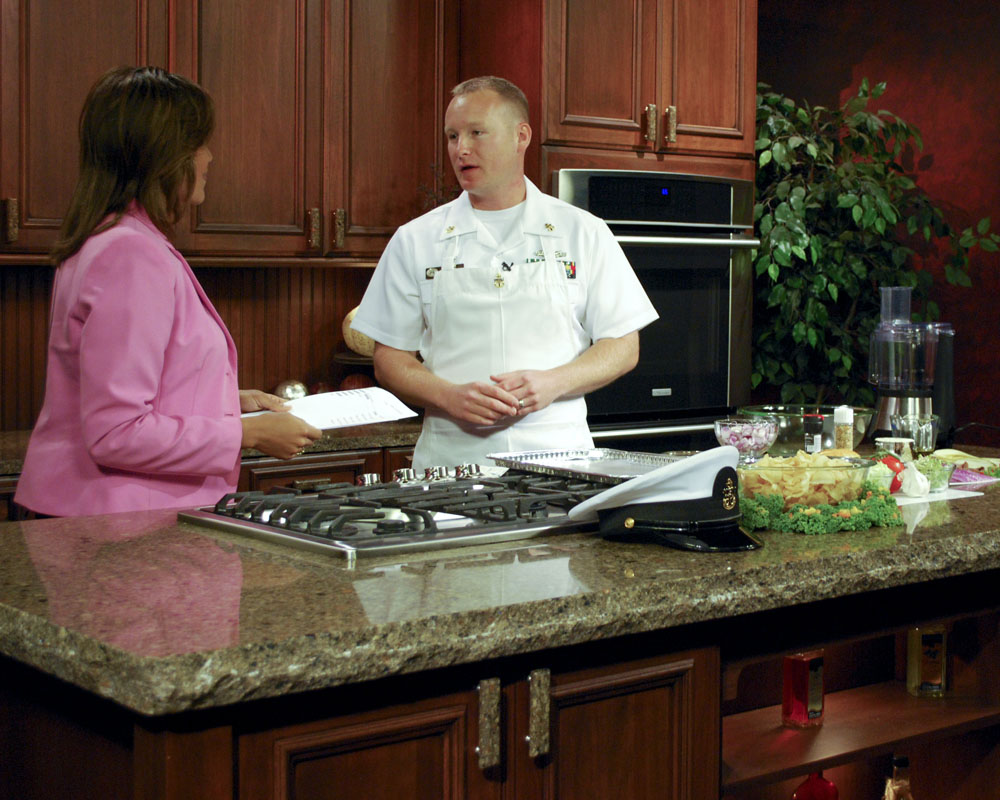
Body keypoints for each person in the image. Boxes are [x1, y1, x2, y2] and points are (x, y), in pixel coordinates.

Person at [15, 66, 321, 517]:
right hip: (120, 526)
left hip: (105, 518)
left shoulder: (105, 240)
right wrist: (247, 434)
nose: (209, 157)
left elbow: (123, 388)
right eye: (199, 144)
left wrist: (228, 404)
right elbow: (117, 431)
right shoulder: (130, 255)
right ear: (165, 155)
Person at [351, 76, 658, 469]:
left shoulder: (583, 232)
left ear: (521, 136)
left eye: (477, 133)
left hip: (561, 462)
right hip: (451, 464)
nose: (461, 149)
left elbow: (622, 346)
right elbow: (390, 359)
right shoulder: (415, 239)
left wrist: (554, 383)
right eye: (452, 136)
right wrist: (449, 396)